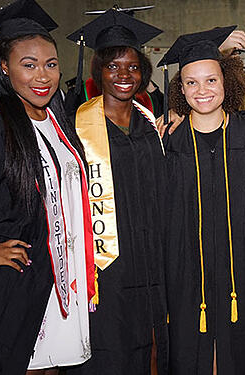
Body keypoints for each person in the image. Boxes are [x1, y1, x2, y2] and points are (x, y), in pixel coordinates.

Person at [0, 0, 95, 373]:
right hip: (18, 282)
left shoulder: (56, 118)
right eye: (28, 65)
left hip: (61, 275)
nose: (42, 76)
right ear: (4, 67)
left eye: (50, 64)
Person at [64, 9, 169, 375]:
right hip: (105, 267)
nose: (124, 75)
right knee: (108, 349)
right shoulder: (76, 126)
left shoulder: (150, 124)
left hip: (152, 258)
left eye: (132, 67)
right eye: (113, 66)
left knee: (150, 349)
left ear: (143, 72)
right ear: (98, 72)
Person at [158, 26, 245, 375]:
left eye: (211, 80)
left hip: (241, 267)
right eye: (191, 82)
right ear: (180, 88)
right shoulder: (166, 141)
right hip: (185, 269)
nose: (202, 90)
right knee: (190, 351)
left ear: (226, 82)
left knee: (238, 351)